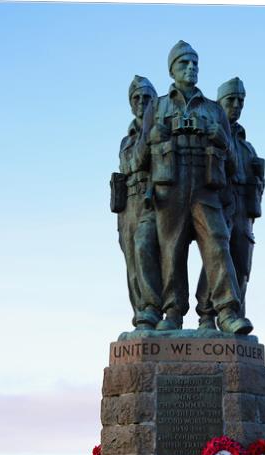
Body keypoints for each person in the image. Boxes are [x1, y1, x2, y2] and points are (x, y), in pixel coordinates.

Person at [139, 41, 253, 335]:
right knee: (171, 250)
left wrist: (222, 139)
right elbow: (140, 158)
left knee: (217, 242)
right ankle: (173, 312)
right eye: (183, 64)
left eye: (194, 64)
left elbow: (231, 163)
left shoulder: (214, 111)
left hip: (205, 185)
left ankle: (226, 311)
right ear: (172, 70)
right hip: (170, 183)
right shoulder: (158, 105)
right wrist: (152, 136)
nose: (190, 68)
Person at [196, 77, 265, 328]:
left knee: (241, 266)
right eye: (231, 100)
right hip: (219, 203)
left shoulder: (248, 148)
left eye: (240, 101)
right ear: (220, 103)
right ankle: (206, 314)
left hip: (243, 212)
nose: (236, 105)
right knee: (216, 259)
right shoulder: (210, 133)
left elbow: (258, 184)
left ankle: (235, 316)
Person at [116, 75, 162, 330]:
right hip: (127, 206)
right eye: (137, 98)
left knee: (145, 248)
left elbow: (142, 163)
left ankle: (152, 308)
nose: (141, 102)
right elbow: (126, 167)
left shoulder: (157, 131)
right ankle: (141, 315)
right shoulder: (126, 139)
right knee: (132, 262)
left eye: (147, 98)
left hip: (152, 200)